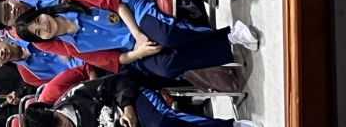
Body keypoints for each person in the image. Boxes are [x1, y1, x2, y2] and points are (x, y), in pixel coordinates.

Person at [14, 0, 261, 81]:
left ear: (41, 13)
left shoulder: (72, 1)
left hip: (136, 14)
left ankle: (231, 35)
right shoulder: (76, 49)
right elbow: (116, 60)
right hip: (133, 47)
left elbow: (117, 4)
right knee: (165, 68)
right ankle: (225, 49)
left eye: (38, 21)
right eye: (38, 33)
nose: (44, 27)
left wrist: (138, 34)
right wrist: (139, 52)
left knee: (166, 36)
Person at [20, 73, 262, 127]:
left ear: (52, 111)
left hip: (134, 102)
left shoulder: (77, 95)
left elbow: (120, 82)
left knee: (161, 123)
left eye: (59, 123)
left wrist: (127, 109)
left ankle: (232, 126)